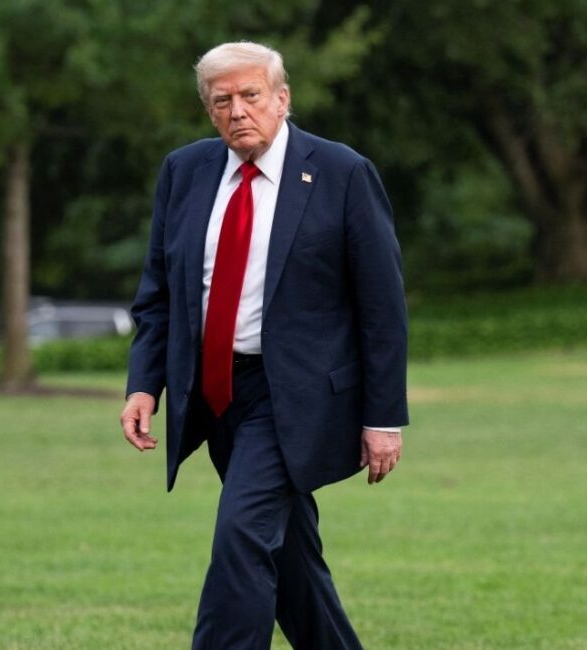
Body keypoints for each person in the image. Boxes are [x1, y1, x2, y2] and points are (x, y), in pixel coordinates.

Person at [119, 41, 408, 649]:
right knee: (291, 561)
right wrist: (145, 384)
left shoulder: (341, 173)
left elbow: (382, 310)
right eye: (221, 101)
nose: (237, 111)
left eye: (250, 96)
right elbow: (160, 294)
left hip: (299, 397)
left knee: (242, 538)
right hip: (218, 392)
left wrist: (383, 418)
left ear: (282, 99)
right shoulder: (184, 171)